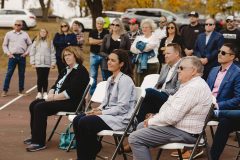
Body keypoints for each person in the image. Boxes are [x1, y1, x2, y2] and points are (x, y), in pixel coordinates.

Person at [129, 56, 213, 160]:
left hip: (186, 132)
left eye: (181, 68)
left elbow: (172, 117)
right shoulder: (190, 84)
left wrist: (152, 121)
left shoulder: (193, 88)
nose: (178, 70)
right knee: (141, 126)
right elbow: (171, 108)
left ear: (193, 71)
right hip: (180, 128)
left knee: (135, 138)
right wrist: (155, 118)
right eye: (178, 67)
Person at [72, 49, 136, 160]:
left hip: (122, 118)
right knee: (77, 119)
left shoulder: (125, 80)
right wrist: (96, 110)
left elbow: (122, 107)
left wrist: (101, 112)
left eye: (113, 60)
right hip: (109, 115)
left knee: (85, 122)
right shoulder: (110, 78)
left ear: (121, 64)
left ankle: (91, 151)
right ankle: (89, 151)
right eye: (108, 60)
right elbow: (106, 102)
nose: (109, 62)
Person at [24, 46, 90, 152]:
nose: (66, 57)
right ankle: (35, 136)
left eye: (69, 55)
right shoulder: (65, 70)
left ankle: (39, 142)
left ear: (76, 55)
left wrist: (53, 97)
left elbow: (71, 92)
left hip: (72, 103)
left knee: (40, 107)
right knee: (34, 104)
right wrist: (51, 93)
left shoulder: (80, 71)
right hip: (60, 100)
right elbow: (55, 85)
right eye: (65, 55)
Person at [136, 43, 182, 123]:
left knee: (148, 92)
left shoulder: (182, 66)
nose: (165, 56)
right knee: (146, 101)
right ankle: (138, 125)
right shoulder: (165, 66)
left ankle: (134, 122)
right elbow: (159, 84)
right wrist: (157, 90)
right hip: (161, 97)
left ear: (177, 54)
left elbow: (178, 90)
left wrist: (160, 91)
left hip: (172, 98)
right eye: (165, 53)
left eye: (168, 53)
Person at [1, 20, 32, 97]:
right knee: (9, 73)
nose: (17, 26)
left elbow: (30, 44)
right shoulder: (9, 34)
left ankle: (21, 90)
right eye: (16, 24)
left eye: (19, 25)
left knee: (21, 74)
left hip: (22, 56)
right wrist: (8, 54)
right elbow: (4, 45)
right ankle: (5, 90)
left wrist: (26, 53)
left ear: (22, 26)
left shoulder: (25, 34)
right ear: (13, 25)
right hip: (12, 57)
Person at [130, 18, 159, 86]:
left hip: (152, 64)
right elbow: (132, 49)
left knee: (150, 85)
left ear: (151, 28)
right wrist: (143, 48)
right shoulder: (139, 38)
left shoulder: (155, 37)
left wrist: (139, 47)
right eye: (143, 27)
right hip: (139, 64)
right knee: (139, 84)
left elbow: (148, 48)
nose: (144, 29)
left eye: (146, 27)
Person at [30, 28, 56, 100]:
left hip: (47, 63)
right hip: (38, 63)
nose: (43, 33)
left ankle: (45, 92)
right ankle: (39, 92)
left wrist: (53, 63)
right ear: (39, 33)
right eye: (41, 32)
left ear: (46, 33)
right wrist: (32, 63)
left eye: (44, 32)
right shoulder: (36, 42)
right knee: (39, 78)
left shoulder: (50, 42)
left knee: (45, 78)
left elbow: (52, 53)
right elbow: (32, 53)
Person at [89, 17, 109, 96]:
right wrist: (102, 41)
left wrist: (96, 41)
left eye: (101, 24)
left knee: (105, 75)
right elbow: (91, 42)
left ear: (103, 24)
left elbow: (106, 43)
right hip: (93, 55)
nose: (99, 25)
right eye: (98, 23)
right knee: (93, 75)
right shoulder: (92, 31)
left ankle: (105, 94)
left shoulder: (107, 32)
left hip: (103, 56)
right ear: (96, 23)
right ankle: (93, 94)